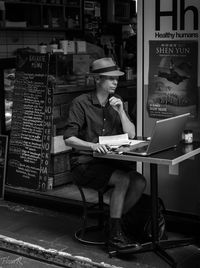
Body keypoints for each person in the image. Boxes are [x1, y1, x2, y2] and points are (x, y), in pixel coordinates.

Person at [63, 57, 146, 252]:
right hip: (84, 163)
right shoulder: (81, 103)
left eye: (116, 79)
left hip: (110, 163)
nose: (115, 82)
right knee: (124, 180)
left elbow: (132, 134)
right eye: (110, 78)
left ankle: (112, 225)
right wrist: (92, 147)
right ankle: (116, 238)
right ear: (97, 80)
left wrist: (121, 111)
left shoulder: (115, 103)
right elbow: (68, 139)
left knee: (140, 181)